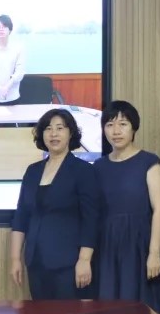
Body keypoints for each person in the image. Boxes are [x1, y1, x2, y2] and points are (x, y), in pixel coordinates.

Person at [92, 100, 160, 314]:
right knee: (109, 311)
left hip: (139, 246)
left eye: (123, 124)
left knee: (143, 311)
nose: (116, 131)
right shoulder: (98, 166)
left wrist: (153, 253)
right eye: (110, 125)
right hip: (107, 247)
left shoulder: (149, 162)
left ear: (134, 128)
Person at [10, 109, 98, 300]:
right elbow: (21, 217)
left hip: (69, 264)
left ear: (71, 133)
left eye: (60, 128)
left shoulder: (82, 171)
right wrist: (16, 258)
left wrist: (84, 260)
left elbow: (91, 219)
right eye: (48, 129)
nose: (54, 134)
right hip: (35, 262)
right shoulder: (33, 171)